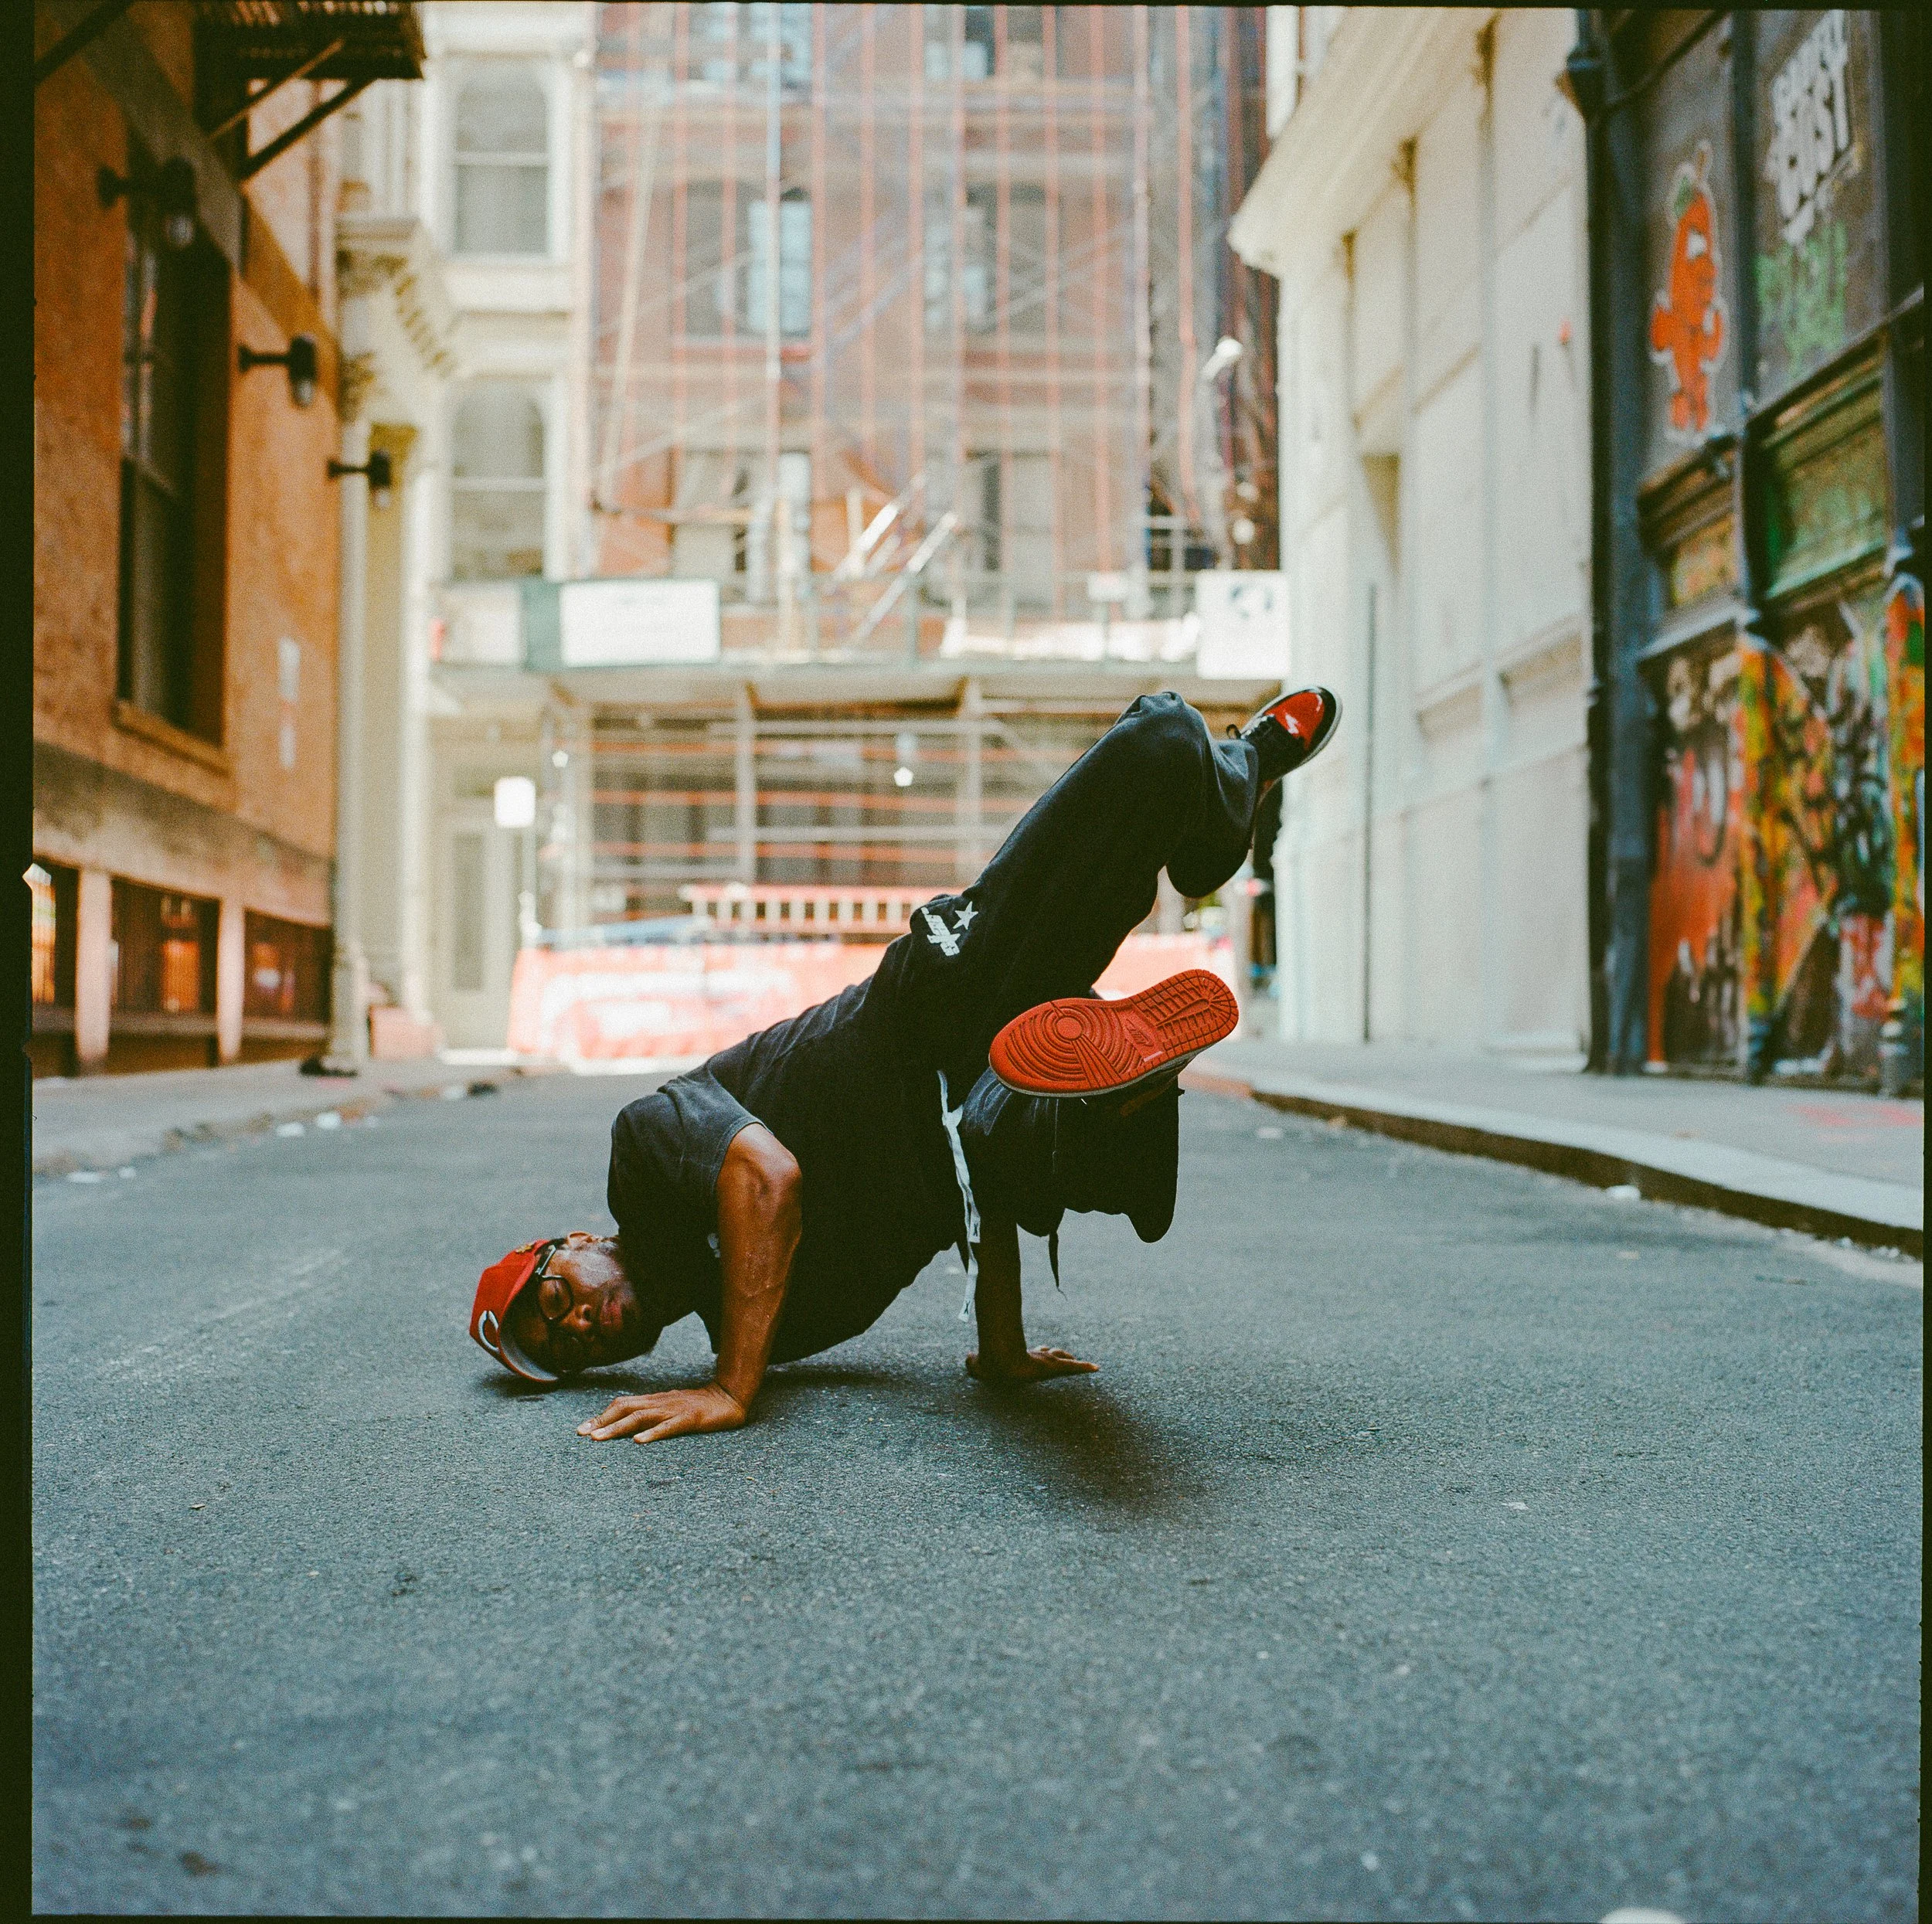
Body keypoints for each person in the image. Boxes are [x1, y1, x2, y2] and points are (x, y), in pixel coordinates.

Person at [468, 685, 1341, 1445]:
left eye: (556, 1304)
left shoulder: (647, 1154)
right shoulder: (787, 1326)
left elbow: (767, 1179)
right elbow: (959, 1203)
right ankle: (1110, 1104)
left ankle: (1237, 773)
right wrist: (1001, 1348)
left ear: (570, 1245)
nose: (582, 1325)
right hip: (983, 1110)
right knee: (1064, 1149)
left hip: (933, 1005)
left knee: (1156, 738)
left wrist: (733, 1389)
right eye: (572, 1351)